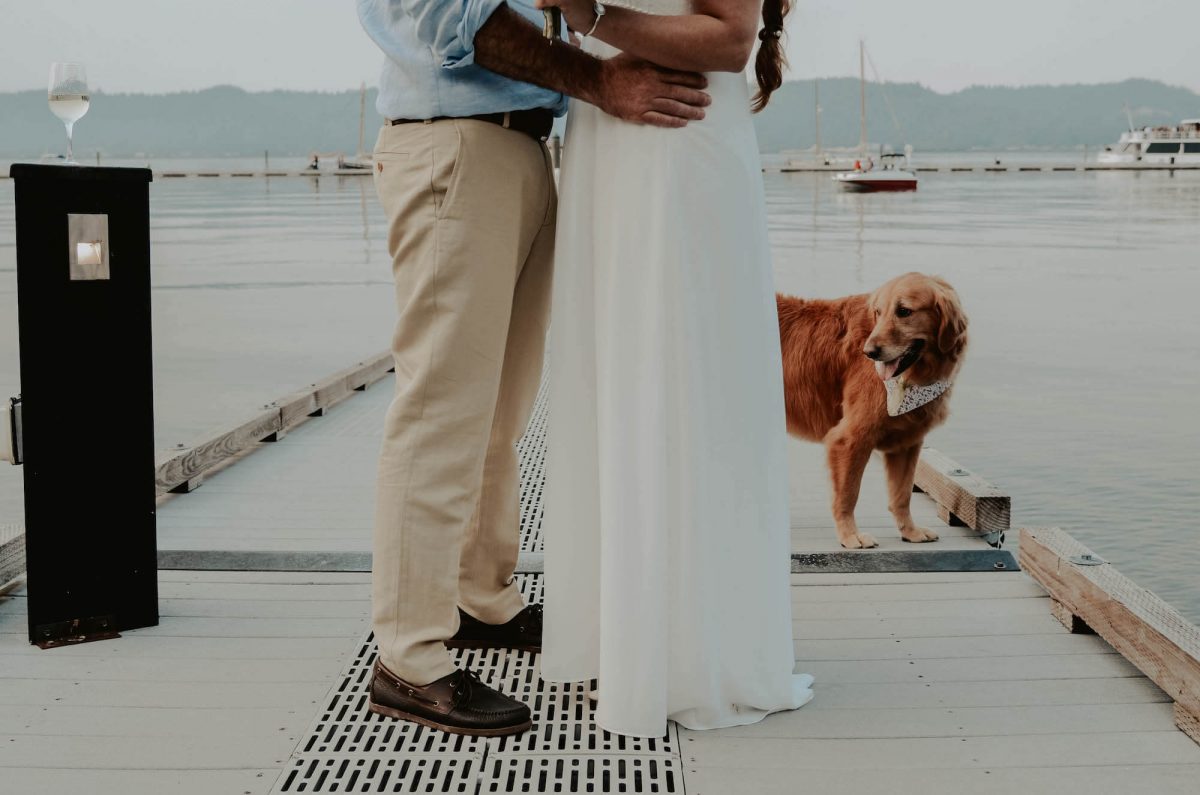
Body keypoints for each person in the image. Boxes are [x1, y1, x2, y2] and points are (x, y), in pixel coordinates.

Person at [356, 0, 711, 738]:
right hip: (452, 145)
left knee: (498, 411)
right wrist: (600, 83)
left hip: (517, 148)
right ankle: (408, 657)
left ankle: (480, 597)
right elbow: (454, 21)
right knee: (440, 412)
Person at [535, 0, 815, 737]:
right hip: (609, 133)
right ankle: (623, 631)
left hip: (676, 142)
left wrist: (587, 13)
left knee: (681, 379)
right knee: (619, 377)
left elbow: (728, 39)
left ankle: (693, 650)